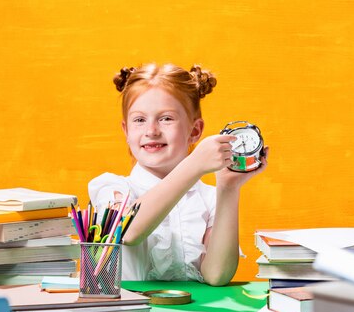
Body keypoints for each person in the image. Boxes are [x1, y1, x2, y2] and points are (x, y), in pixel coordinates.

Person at [88, 63, 268, 286]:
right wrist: (194, 164)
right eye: (139, 120)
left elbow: (216, 275)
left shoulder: (210, 198)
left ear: (195, 131)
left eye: (166, 118)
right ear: (126, 130)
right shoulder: (109, 186)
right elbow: (129, 232)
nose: (151, 131)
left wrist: (228, 188)